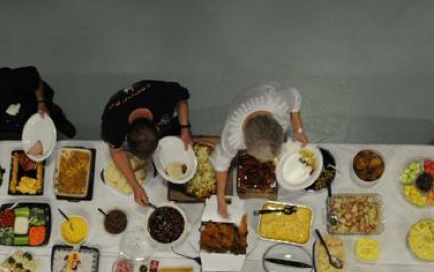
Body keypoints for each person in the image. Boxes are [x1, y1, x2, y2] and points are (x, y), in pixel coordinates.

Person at [211, 82, 308, 218]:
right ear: (245, 143)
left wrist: (299, 130)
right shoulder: (232, 136)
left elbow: (295, 96)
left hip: (266, 91)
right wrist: (220, 197)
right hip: (244, 100)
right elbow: (221, 162)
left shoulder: (279, 100)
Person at [101, 80, 192, 206]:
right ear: (126, 137)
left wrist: (185, 129)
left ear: (157, 127)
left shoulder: (164, 96)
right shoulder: (112, 126)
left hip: (154, 98)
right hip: (119, 112)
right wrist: (135, 186)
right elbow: (117, 152)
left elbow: (182, 100)